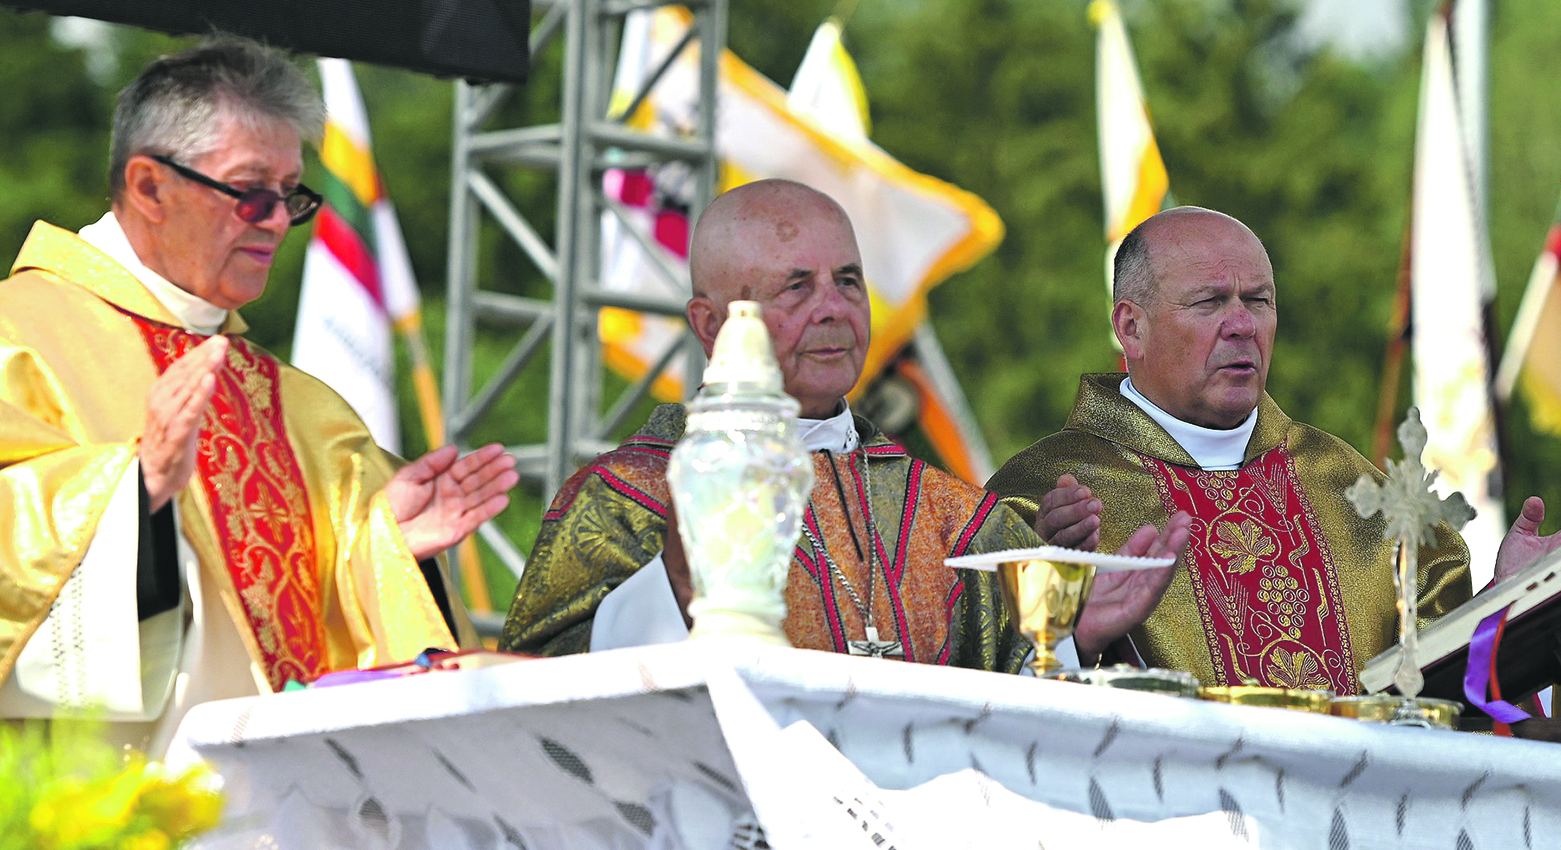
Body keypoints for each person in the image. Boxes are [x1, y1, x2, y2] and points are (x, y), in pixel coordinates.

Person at [0, 37, 518, 755]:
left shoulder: (306, 410)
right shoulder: (17, 335)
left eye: (289, 196)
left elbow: (328, 651)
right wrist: (134, 496)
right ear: (150, 187)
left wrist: (383, 550)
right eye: (249, 193)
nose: (277, 221)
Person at [505, 179, 1188, 671]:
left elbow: (1018, 704)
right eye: (797, 286)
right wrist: (675, 587)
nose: (834, 308)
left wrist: (1070, 636)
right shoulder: (631, 492)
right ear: (711, 325)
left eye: (850, 281)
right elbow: (540, 698)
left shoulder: (948, 513)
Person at [986, 208, 1561, 692]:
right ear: (1130, 327)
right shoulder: (1040, 496)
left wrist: (1510, 609)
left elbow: (1442, 699)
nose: (1241, 324)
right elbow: (974, 692)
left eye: (1258, 300)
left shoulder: (1352, 488)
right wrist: (1067, 635)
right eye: (1209, 302)